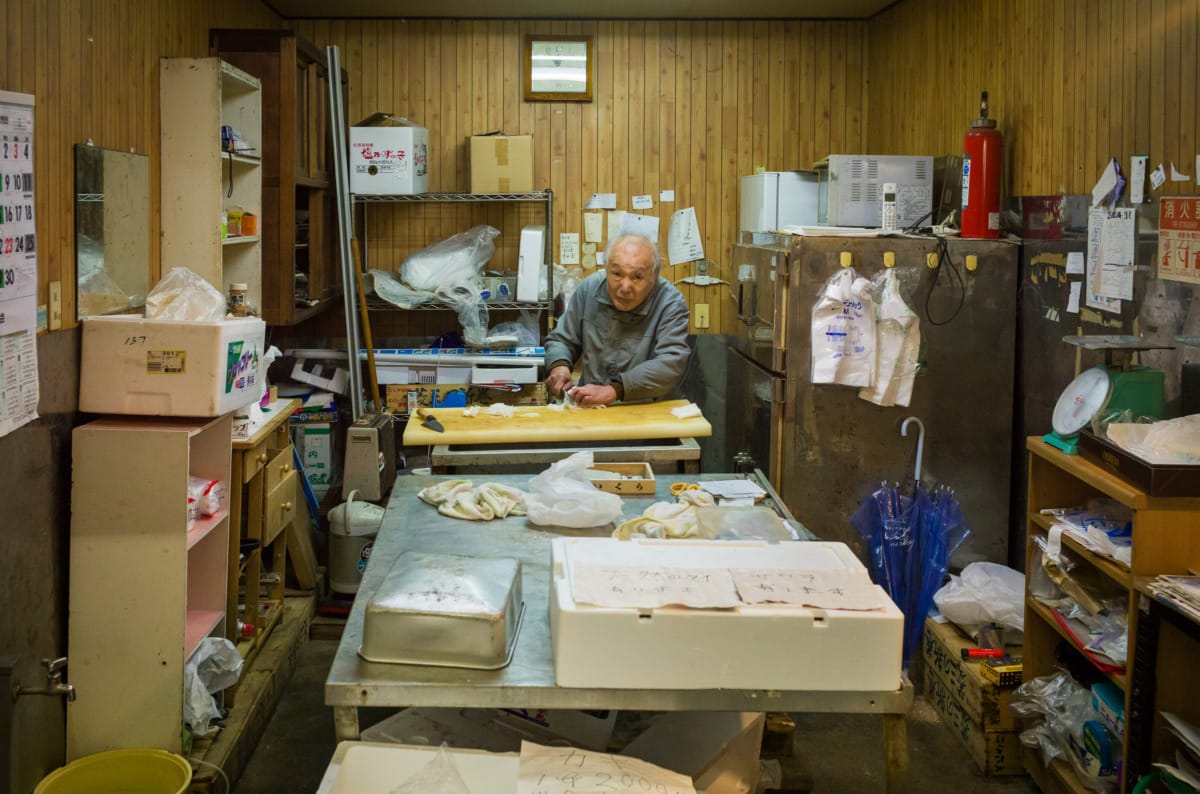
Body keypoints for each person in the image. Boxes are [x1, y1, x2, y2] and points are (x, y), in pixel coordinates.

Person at [544, 233, 691, 406]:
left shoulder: (670, 302)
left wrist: (615, 390)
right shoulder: (589, 289)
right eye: (617, 273)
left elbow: (671, 362)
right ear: (606, 269)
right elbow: (562, 339)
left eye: (637, 276)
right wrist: (559, 365)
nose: (625, 287)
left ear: (653, 277)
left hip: (647, 414)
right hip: (589, 409)